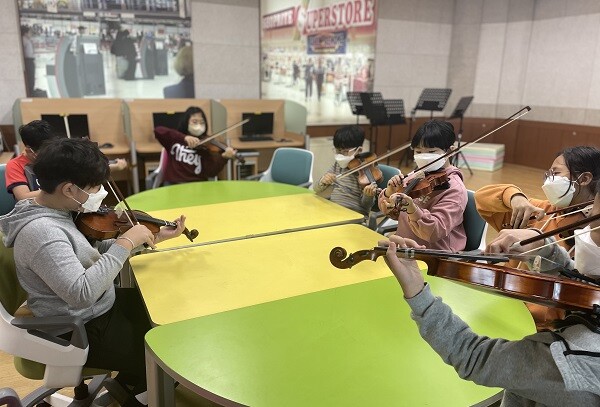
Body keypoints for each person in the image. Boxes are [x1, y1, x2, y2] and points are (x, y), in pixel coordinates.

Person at [0, 138, 187, 407]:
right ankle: (145, 393)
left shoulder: (58, 209)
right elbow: (82, 293)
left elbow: (92, 250)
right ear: (68, 189)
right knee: (171, 355)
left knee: (168, 316)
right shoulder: (43, 233)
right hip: (78, 327)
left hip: (99, 308)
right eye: (96, 188)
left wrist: (151, 235)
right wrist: (126, 242)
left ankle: (128, 385)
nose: (101, 194)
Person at [379, 217, 600, 405]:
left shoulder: (575, 362)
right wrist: (543, 246)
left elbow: (473, 356)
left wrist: (417, 293)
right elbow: (582, 286)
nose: (587, 231)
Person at [475, 146, 600, 251]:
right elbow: (481, 198)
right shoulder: (539, 211)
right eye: (549, 174)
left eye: (556, 173)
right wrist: (515, 197)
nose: (549, 180)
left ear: (584, 179)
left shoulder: (594, 228)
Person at [378, 120, 467, 252]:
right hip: (405, 248)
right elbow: (393, 213)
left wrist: (412, 209)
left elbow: (434, 232)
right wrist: (390, 192)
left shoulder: (454, 188)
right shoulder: (416, 176)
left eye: (431, 152)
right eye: (418, 152)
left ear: (450, 151)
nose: (424, 157)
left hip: (434, 256)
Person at [6, 120, 129, 201]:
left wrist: (113, 166)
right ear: (29, 150)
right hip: (36, 211)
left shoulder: (54, 155)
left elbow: (80, 168)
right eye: (44, 150)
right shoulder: (15, 165)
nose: (49, 153)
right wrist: (59, 190)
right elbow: (23, 197)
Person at [154, 106, 237, 185]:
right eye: (195, 122)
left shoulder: (207, 144)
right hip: (174, 184)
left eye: (202, 122)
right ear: (186, 122)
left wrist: (224, 158)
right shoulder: (175, 139)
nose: (199, 125)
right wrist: (184, 137)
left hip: (197, 185)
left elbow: (211, 172)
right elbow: (158, 130)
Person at [314, 126, 377, 217]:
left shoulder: (367, 172)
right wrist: (322, 181)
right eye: (338, 150)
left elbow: (367, 206)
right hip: (333, 210)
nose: (340, 155)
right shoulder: (337, 165)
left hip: (353, 215)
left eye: (345, 152)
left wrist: (368, 195)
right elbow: (316, 189)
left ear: (359, 150)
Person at [21, 26, 35, 97]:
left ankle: (31, 92)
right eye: (29, 32)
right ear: (26, 33)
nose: (30, 33)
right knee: (30, 78)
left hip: (30, 60)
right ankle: (30, 93)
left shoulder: (27, 39)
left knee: (32, 78)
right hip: (28, 60)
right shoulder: (24, 40)